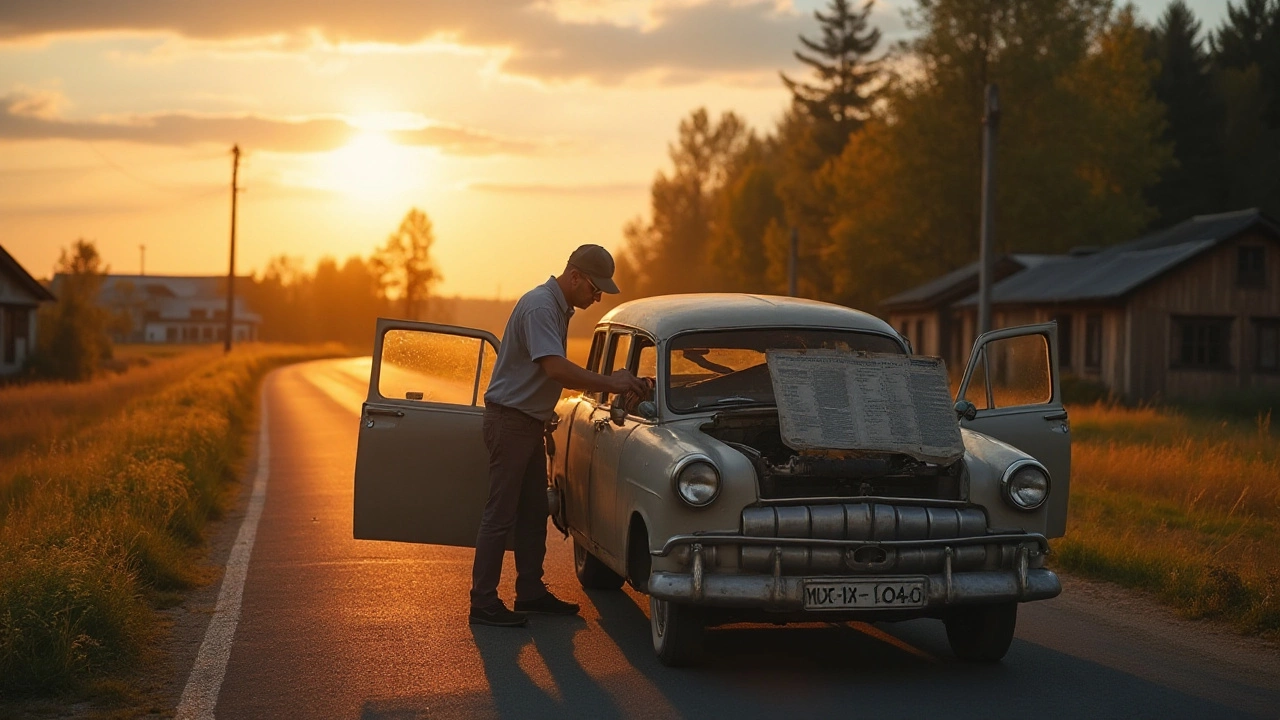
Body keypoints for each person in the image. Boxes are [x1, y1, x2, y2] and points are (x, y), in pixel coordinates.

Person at [469, 244, 649, 628]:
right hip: (511, 422)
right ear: (574, 277)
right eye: (595, 287)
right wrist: (611, 384)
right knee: (500, 516)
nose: (598, 296)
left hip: (526, 423)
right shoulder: (540, 307)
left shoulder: (555, 307)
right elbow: (554, 369)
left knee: (535, 511)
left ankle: (530, 592)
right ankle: (482, 602)